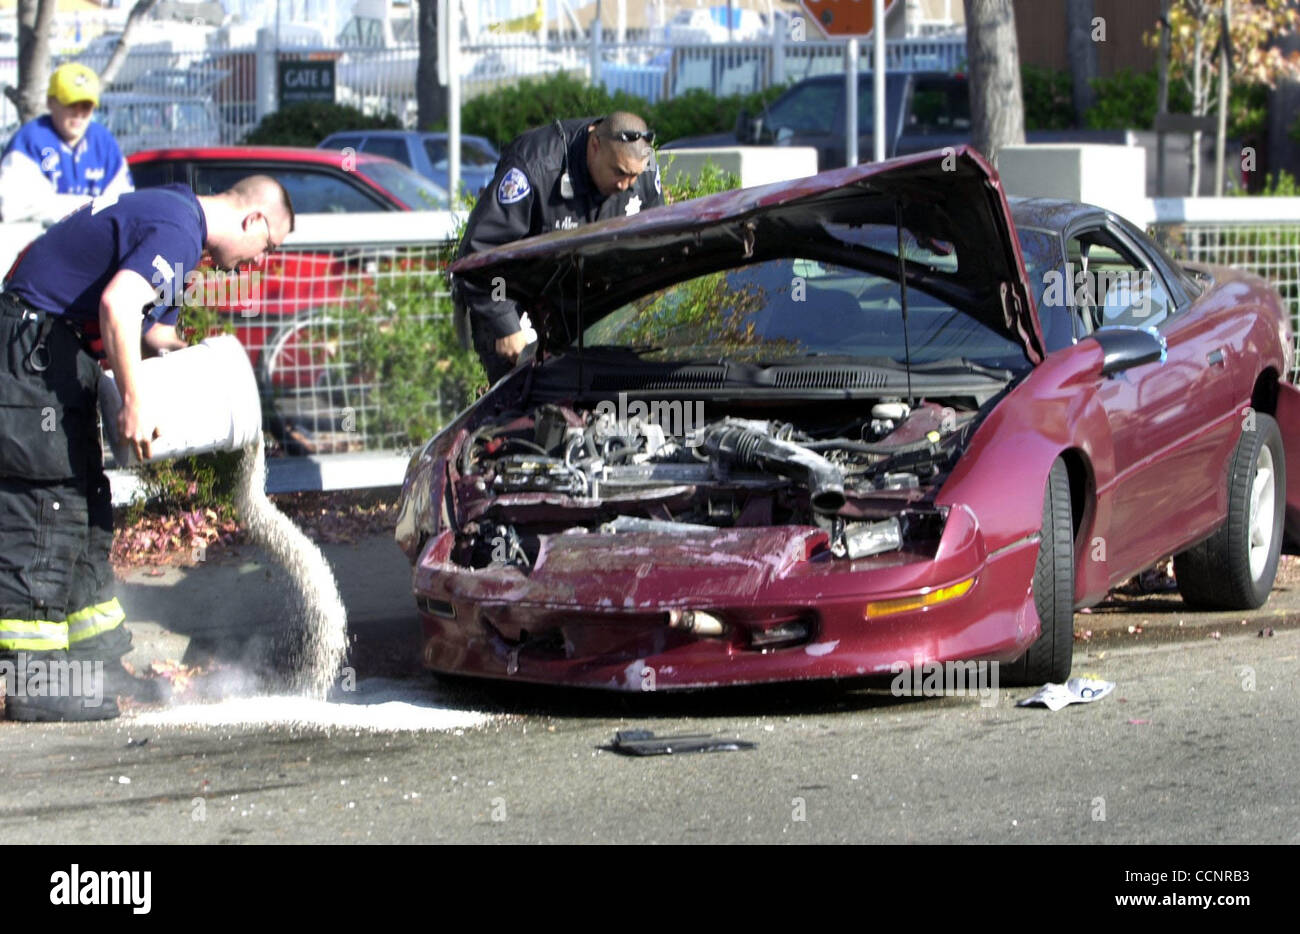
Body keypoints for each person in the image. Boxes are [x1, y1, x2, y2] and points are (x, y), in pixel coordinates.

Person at [0, 175, 294, 722]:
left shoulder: (175, 220)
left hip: (51, 355)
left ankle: (94, 665)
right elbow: (117, 307)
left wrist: (210, 371)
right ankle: (36, 683)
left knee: (85, 506)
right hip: (31, 354)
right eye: (268, 247)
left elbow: (153, 333)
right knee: (46, 508)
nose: (259, 262)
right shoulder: (180, 227)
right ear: (253, 220)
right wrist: (134, 401)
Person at [454, 111, 662, 382]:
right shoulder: (535, 167)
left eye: (633, 177)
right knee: (526, 406)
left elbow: (654, 242)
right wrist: (505, 323)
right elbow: (482, 252)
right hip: (517, 305)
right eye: (620, 173)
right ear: (595, 145)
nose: (626, 185)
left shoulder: (642, 168)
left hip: (586, 311)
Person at [0, 62, 133, 225]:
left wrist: (61, 204)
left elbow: (123, 203)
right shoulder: (30, 141)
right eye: (70, 104)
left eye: (86, 106)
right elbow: (15, 205)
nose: (79, 114)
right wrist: (89, 205)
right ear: (50, 102)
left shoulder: (104, 142)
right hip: (42, 243)